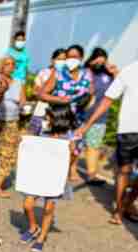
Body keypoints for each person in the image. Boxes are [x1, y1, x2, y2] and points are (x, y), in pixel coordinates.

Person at [76, 33, 138, 225]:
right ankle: (119, 210)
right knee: (124, 171)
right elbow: (108, 99)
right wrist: (87, 125)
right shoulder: (130, 71)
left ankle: (128, 203)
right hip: (128, 130)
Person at [19, 104, 78, 252]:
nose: (46, 118)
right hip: (38, 173)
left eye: (49, 116)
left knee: (49, 209)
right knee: (27, 205)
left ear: (59, 119)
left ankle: (41, 237)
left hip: (56, 176)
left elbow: (72, 157)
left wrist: (71, 156)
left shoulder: (69, 137)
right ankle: (33, 227)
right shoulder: (43, 131)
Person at [41, 44, 93, 181]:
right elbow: (43, 94)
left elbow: (92, 94)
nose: (71, 59)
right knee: (55, 150)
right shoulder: (58, 73)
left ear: (81, 58)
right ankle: (49, 179)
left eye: (75, 57)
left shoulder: (87, 74)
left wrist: (88, 102)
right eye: (69, 57)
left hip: (78, 119)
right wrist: (59, 99)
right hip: (59, 118)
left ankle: (61, 173)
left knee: (75, 151)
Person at [82, 47, 116, 185]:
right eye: (97, 59)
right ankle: (69, 171)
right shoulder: (85, 72)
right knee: (74, 146)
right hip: (81, 115)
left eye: (103, 60)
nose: (100, 63)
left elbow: (119, 88)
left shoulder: (108, 75)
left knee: (93, 145)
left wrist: (115, 73)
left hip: (99, 117)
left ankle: (91, 175)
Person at [0, 56, 26, 198]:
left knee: (8, 154)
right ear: (1, 66)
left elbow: (23, 101)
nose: (10, 66)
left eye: (13, 64)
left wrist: (24, 107)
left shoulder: (18, 83)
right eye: (7, 64)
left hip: (12, 122)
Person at [30, 48, 66, 136]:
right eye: (59, 59)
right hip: (41, 111)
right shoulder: (44, 72)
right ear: (52, 60)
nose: (61, 62)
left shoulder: (67, 75)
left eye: (64, 59)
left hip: (58, 114)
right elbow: (35, 91)